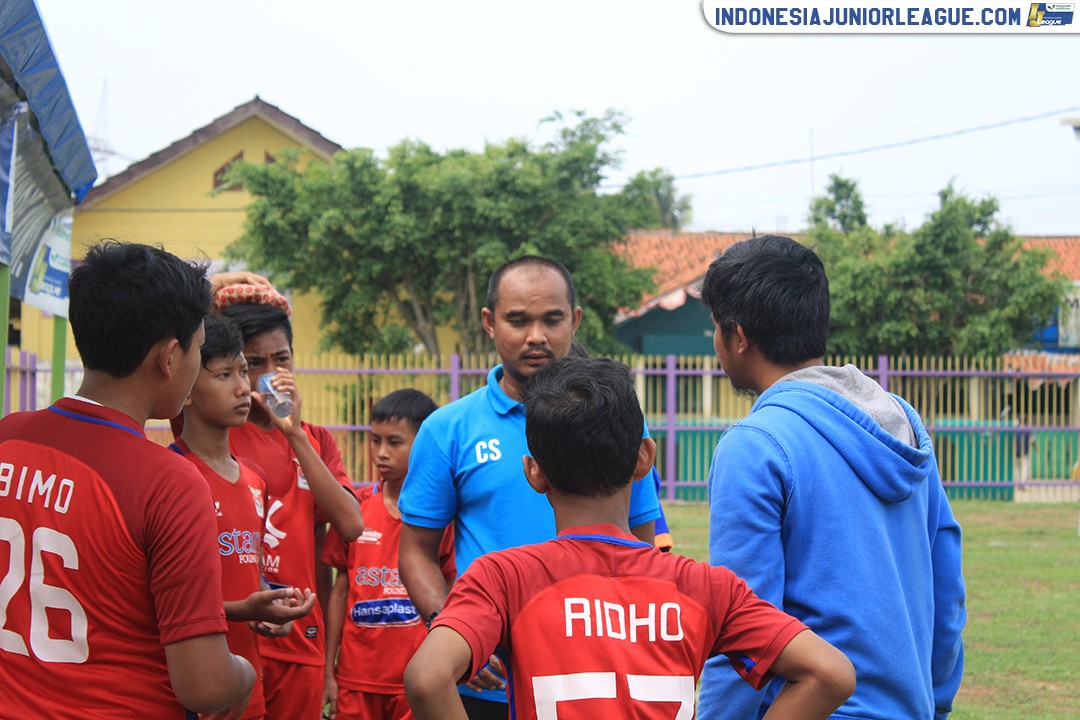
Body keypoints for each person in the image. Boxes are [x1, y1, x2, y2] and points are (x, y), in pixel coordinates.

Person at [403, 356, 856, 720]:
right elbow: (831, 673)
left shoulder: (503, 578)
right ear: (644, 458)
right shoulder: (707, 587)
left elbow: (427, 678)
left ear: (534, 472)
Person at [695, 235, 966, 719]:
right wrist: (934, 702)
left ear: (738, 336)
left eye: (714, 327)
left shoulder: (755, 445)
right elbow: (946, 591)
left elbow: (744, 629)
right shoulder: (900, 422)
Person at [398, 256, 661, 718]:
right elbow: (416, 551)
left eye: (552, 319)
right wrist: (450, 627)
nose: (536, 336)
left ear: (574, 320)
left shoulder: (617, 422)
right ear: (490, 322)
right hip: (488, 689)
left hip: (592, 682)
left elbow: (640, 548)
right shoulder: (448, 430)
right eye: (518, 320)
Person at [0, 241, 255, 717]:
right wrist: (244, 674)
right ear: (169, 357)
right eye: (199, 349)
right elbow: (204, 686)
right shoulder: (169, 484)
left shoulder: (7, 437)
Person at [218, 294, 364, 720]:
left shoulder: (315, 440)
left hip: (300, 637)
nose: (269, 376)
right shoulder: (213, 430)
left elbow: (351, 525)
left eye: (281, 360)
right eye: (253, 363)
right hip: (233, 636)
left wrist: (294, 434)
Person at [174, 313, 318, 720]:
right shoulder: (171, 477)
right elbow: (162, 606)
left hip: (245, 688)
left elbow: (248, 573)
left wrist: (273, 609)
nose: (243, 387)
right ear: (185, 387)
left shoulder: (254, 479)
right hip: (192, 691)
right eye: (224, 375)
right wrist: (245, 608)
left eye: (242, 371)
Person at [322, 389, 455, 720]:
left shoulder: (441, 519)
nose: (381, 453)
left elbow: (451, 592)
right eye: (375, 440)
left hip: (414, 680)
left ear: (422, 444)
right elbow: (340, 591)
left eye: (394, 442)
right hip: (356, 679)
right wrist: (328, 671)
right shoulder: (355, 511)